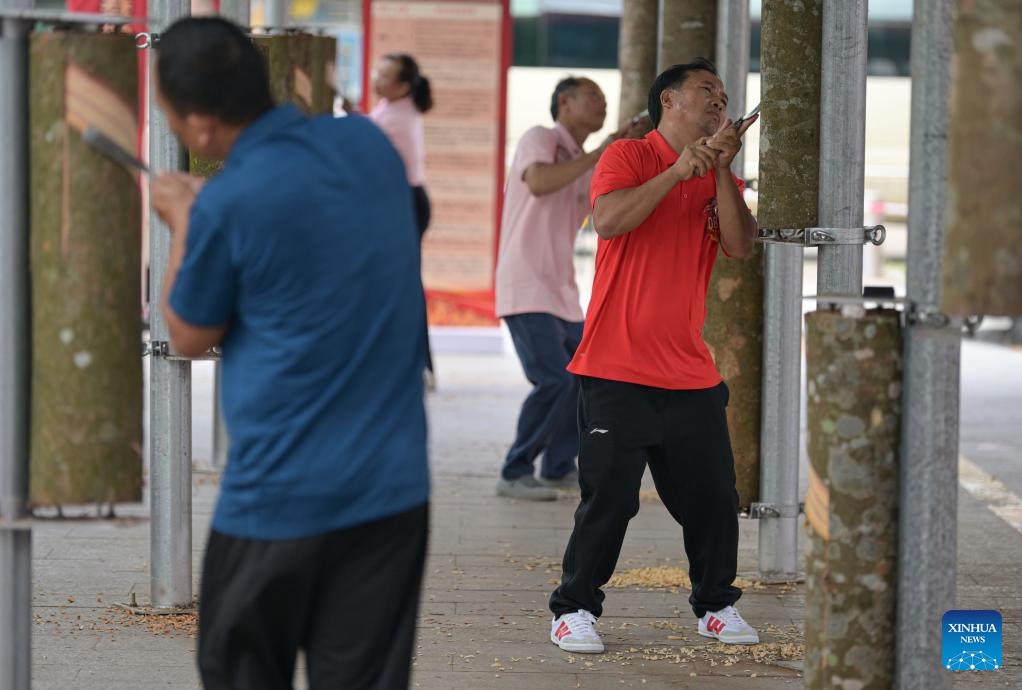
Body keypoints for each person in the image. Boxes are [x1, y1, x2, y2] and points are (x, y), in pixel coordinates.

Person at [150, 17, 429, 689]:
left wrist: (186, 221)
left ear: (201, 129)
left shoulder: (228, 204)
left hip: (279, 498)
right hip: (391, 492)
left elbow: (188, 332)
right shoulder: (367, 144)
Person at [547, 59, 761, 653]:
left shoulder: (720, 176)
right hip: (615, 367)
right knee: (610, 500)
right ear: (669, 100)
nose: (719, 104)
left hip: (690, 372)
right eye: (705, 93)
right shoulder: (629, 156)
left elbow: (742, 248)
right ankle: (573, 609)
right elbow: (610, 220)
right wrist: (675, 173)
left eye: (723, 97)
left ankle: (716, 605)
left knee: (715, 499)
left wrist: (720, 171)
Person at [494, 77, 641, 501]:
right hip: (524, 284)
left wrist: (614, 152)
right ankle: (514, 469)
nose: (600, 102)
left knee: (583, 379)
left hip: (561, 290)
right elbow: (539, 182)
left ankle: (558, 467)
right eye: (591, 95)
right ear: (565, 102)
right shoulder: (540, 138)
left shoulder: (585, 159)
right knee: (554, 380)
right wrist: (602, 151)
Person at [368, 53, 437, 387]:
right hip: (402, 201)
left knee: (405, 284)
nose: (376, 80)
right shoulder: (392, 107)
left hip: (406, 203)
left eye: (385, 76)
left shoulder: (396, 116)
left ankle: (421, 365)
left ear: (403, 86)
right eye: (377, 73)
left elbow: (362, 137)